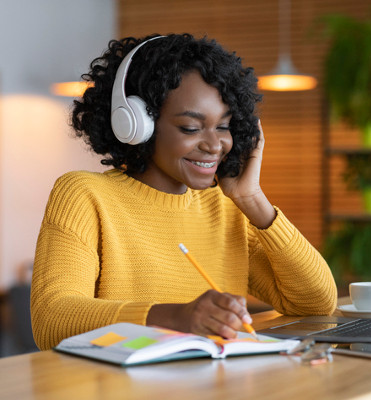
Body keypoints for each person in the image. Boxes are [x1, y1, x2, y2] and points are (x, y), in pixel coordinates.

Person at [30, 33, 337, 351]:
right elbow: (52, 320)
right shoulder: (84, 195)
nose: (214, 145)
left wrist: (253, 199)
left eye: (223, 126)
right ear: (137, 124)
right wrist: (178, 317)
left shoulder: (225, 206)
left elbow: (316, 303)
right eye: (191, 128)